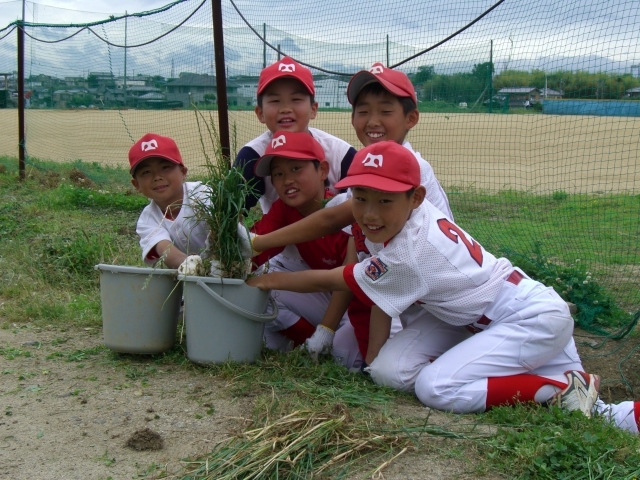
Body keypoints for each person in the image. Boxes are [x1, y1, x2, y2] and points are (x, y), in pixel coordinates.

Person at [247, 141, 640, 435]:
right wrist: (372, 363)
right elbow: (364, 270)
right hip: (473, 318)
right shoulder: (404, 216)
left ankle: (558, 388)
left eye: (384, 200)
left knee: (435, 388)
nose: (368, 212)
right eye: (361, 198)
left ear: (416, 197)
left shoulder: (409, 249)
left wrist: (265, 279)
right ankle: (573, 396)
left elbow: (336, 279)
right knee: (389, 372)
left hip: (528, 318)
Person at [247, 62, 458, 363]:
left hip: (433, 296)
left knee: (395, 372)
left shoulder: (411, 166)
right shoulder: (366, 167)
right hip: (392, 289)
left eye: (385, 111)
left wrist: (256, 242)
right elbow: (352, 253)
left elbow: (331, 219)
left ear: (411, 118)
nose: (373, 121)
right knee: (348, 358)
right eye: (363, 111)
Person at [247, 130, 358, 365]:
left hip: (357, 301)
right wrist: (230, 258)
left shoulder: (341, 208)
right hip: (325, 293)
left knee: (347, 360)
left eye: (296, 168)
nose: (287, 180)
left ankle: (324, 344)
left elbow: (349, 281)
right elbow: (256, 247)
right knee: (258, 297)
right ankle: (308, 345)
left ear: (323, 170)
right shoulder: (284, 208)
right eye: (278, 174)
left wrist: (326, 329)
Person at [130, 133, 209, 270]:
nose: (157, 177)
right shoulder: (147, 220)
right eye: (146, 172)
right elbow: (168, 253)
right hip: (192, 275)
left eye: (165, 167)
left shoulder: (202, 194)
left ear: (183, 172)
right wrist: (198, 269)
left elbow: (229, 232)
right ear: (136, 185)